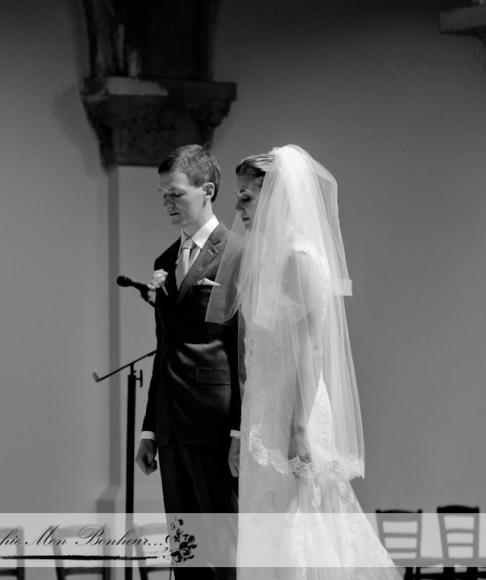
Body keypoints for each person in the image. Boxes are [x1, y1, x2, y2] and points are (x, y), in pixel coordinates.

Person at [208, 145, 400, 579]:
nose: (237, 206)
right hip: (262, 414)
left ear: (277, 198)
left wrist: (297, 429)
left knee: (298, 523)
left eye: (247, 197)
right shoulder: (266, 260)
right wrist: (242, 429)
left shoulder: (299, 260)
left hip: (294, 416)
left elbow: (311, 350)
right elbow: (253, 356)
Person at [136, 144, 241, 580]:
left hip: (215, 424)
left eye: (175, 193)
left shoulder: (237, 254)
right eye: (163, 195)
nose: (167, 204)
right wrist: (148, 429)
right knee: (187, 558)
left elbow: (243, 351)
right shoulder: (164, 261)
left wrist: (239, 429)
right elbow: (164, 349)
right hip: (172, 427)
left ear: (207, 190)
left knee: (223, 553)